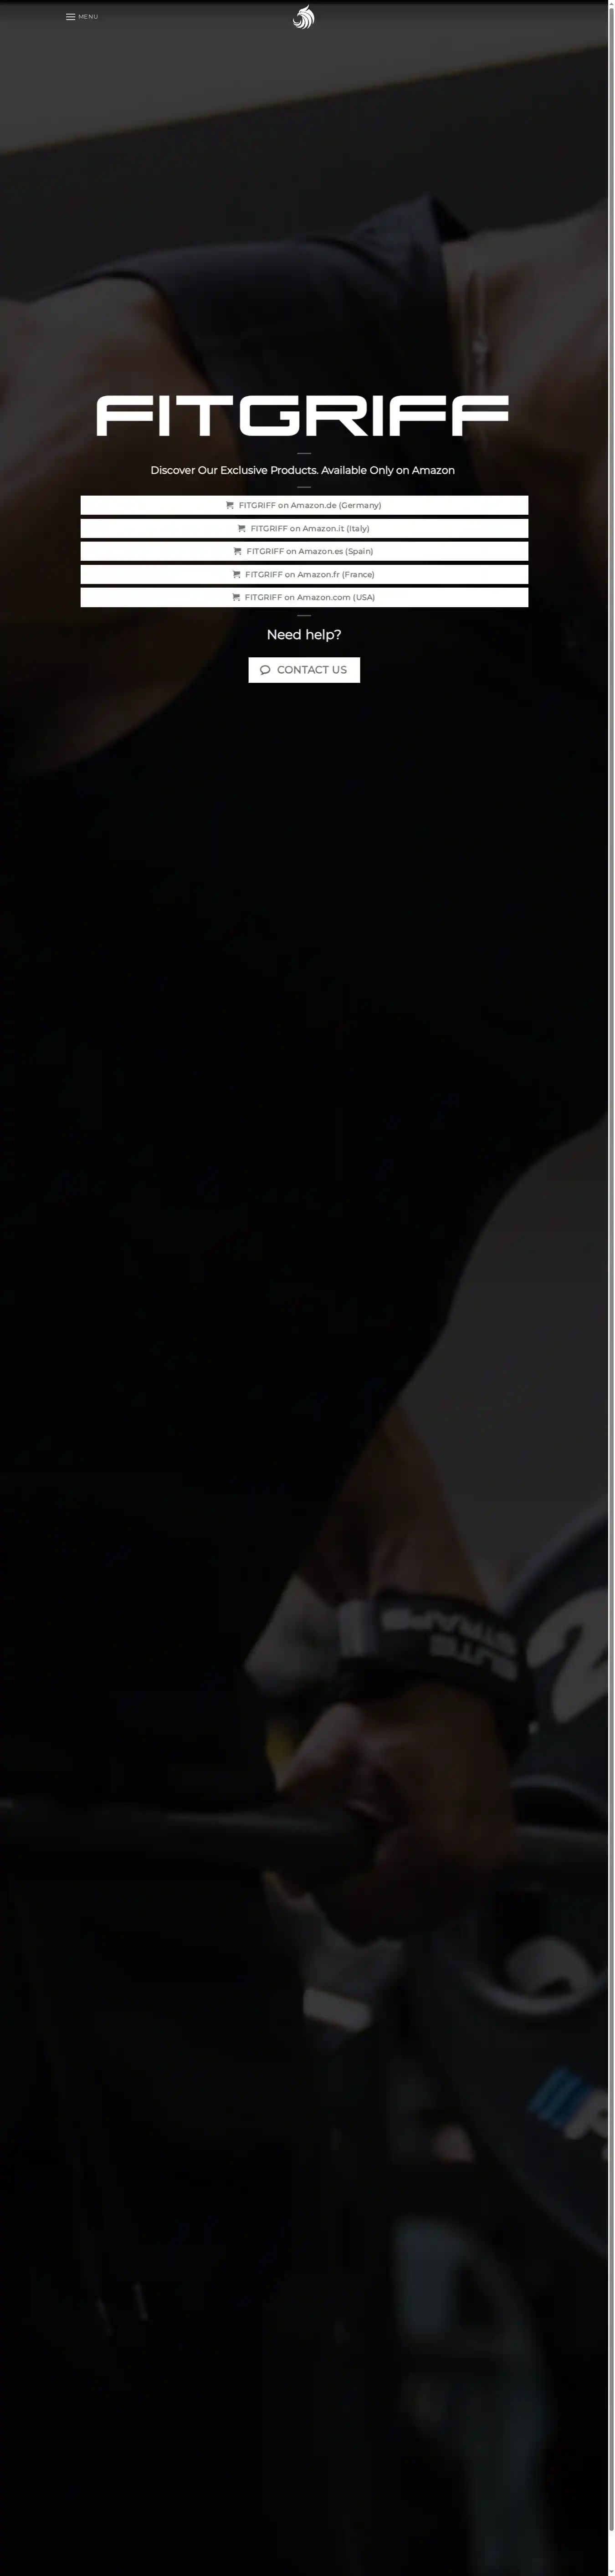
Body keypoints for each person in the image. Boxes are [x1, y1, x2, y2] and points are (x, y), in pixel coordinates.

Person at [0, 190, 606, 2571]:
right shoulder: (197, 480)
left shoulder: (491, 572)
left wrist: (424, 1619)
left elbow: (180, 1190)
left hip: (117, 1822)